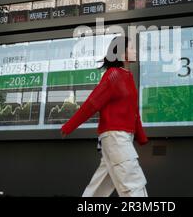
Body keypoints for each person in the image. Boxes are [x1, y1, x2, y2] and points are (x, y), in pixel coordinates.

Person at [61, 36, 149, 197]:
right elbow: (92, 103)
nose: (135, 51)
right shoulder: (113, 75)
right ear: (122, 53)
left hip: (120, 138)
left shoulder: (127, 76)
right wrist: (69, 126)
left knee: (99, 188)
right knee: (133, 183)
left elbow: (133, 111)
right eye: (131, 48)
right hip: (115, 137)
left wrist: (141, 137)